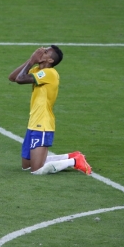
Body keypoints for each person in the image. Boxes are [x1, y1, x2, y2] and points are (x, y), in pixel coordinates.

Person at [8, 46, 92, 175]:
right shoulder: (38, 70)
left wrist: (31, 61)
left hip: (42, 124)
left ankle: (74, 161)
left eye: (46, 52)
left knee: (36, 170)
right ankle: (70, 156)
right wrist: (31, 60)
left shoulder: (50, 73)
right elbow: (13, 77)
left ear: (51, 60)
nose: (41, 51)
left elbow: (20, 79)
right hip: (33, 123)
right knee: (26, 166)